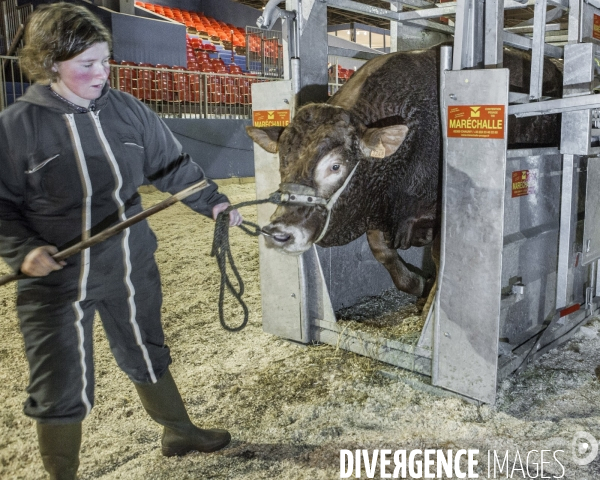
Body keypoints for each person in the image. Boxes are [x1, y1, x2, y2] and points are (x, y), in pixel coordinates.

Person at [0, 3, 243, 478]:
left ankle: (177, 429)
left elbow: (172, 167)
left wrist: (212, 202)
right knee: (60, 381)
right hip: (55, 281)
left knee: (145, 346)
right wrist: (23, 250)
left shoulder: (128, 109)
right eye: (86, 64)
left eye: (104, 60)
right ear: (51, 63)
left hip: (129, 264)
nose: (100, 73)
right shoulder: (16, 126)